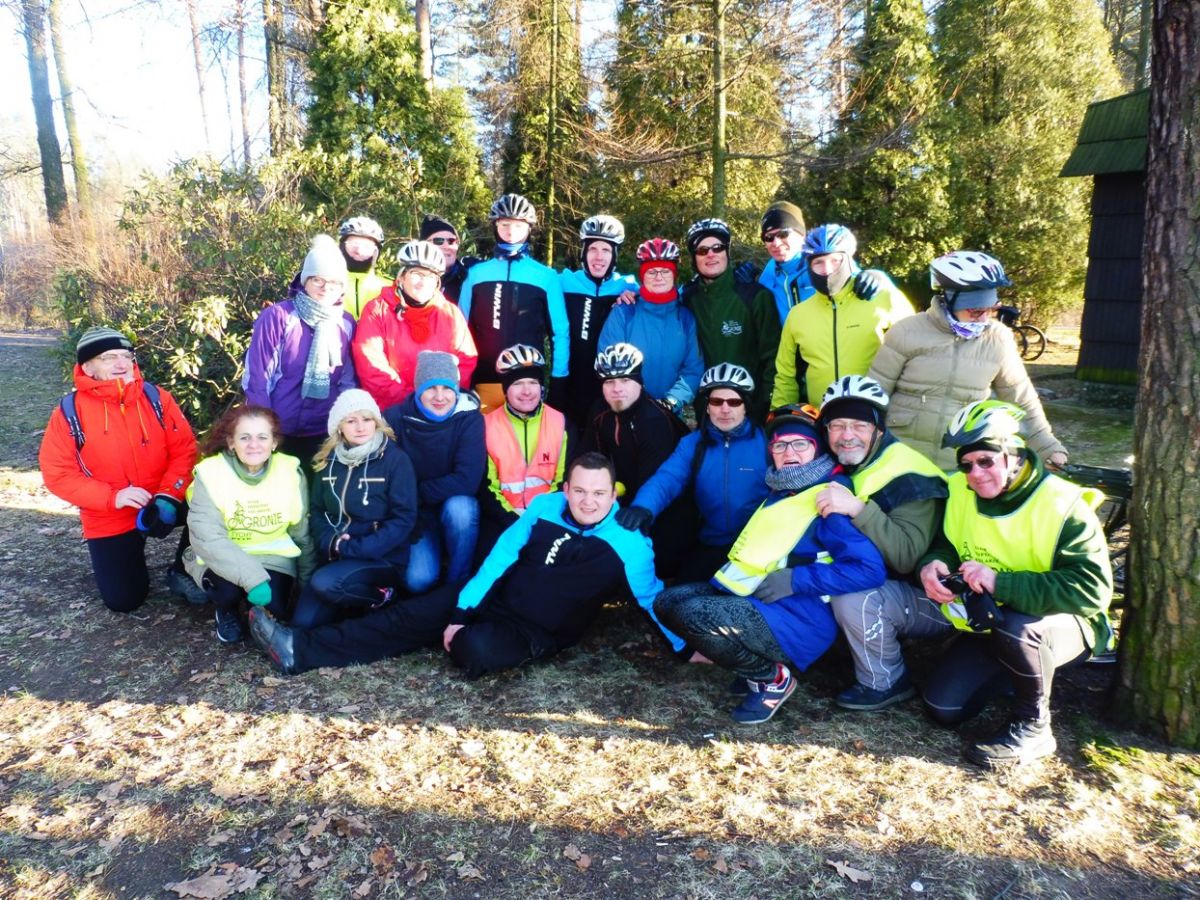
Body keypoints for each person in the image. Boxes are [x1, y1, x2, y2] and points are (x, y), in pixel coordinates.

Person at [831, 401, 1113, 768]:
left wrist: (1000, 583)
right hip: (985, 622)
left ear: (1014, 455)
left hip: (1059, 623)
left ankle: (1034, 726)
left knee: (1018, 628)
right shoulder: (959, 490)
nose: (975, 474)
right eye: (966, 465)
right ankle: (1013, 676)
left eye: (986, 461)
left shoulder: (1063, 504)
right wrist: (932, 565)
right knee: (943, 707)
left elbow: (1091, 590)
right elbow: (946, 542)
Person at [249, 452, 685, 677]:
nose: (589, 501)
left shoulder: (628, 543)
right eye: (581, 491)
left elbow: (651, 599)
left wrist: (686, 648)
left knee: (473, 651)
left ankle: (456, 638)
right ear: (566, 488)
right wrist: (461, 611)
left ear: (613, 493)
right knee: (409, 615)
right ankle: (298, 649)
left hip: (534, 630)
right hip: (492, 597)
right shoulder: (545, 507)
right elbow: (501, 557)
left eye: (599, 493)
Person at [654, 404, 886, 725]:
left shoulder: (827, 500)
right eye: (780, 445)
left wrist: (796, 579)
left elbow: (869, 569)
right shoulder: (782, 491)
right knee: (668, 602)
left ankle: (772, 680)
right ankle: (751, 667)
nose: (789, 452)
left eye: (800, 444)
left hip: (800, 618)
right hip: (760, 602)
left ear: (817, 449)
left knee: (693, 614)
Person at [40, 326, 198, 614]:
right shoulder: (69, 411)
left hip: (162, 498)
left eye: (126, 356)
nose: (121, 363)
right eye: (109, 357)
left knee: (212, 505)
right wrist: (113, 498)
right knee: (124, 601)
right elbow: (58, 473)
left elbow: (185, 450)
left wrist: (168, 496)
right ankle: (131, 550)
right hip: (109, 513)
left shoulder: (157, 398)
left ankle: (183, 569)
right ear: (88, 367)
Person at [868, 250, 1068, 470]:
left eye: (990, 310)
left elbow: (1022, 398)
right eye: (975, 311)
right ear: (951, 300)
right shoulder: (906, 332)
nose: (983, 319)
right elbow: (872, 397)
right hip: (902, 459)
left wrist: (1048, 447)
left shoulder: (998, 339)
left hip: (962, 464)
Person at [616, 363, 769, 582]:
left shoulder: (767, 443)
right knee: (677, 593)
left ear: (746, 406)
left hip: (757, 548)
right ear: (707, 407)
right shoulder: (693, 444)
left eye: (734, 402)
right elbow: (668, 478)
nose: (725, 409)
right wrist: (643, 506)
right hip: (711, 544)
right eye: (717, 401)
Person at [287, 389, 418, 629]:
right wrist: (331, 542)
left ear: (376, 422)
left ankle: (384, 596)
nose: (360, 427)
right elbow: (317, 510)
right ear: (339, 427)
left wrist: (358, 547)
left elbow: (404, 518)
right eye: (351, 421)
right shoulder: (327, 461)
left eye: (367, 419)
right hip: (336, 554)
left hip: (381, 557)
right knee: (302, 623)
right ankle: (352, 608)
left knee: (326, 583)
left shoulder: (395, 460)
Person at [181, 404, 313, 642]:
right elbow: (208, 538)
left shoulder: (289, 471)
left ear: (274, 442)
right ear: (231, 442)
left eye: (262, 437)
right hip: (221, 554)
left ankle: (256, 606)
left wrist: (306, 585)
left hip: (272, 557)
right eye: (245, 437)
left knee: (277, 606)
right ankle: (227, 610)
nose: (254, 444)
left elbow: (301, 532)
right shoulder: (211, 473)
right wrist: (254, 580)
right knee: (228, 592)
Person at [815, 376, 948, 578]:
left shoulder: (914, 477)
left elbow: (905, 557)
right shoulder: (832, 456)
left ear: (879, 430)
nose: (847, 436)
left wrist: (857, 508)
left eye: (860, 426)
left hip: (894, 585)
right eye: (837, 426)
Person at [243, 234, 357, 467]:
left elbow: (347, 380)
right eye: (317, 280)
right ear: (305, 280)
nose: (325, 288)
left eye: (334, 282)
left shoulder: (346, 323)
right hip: (279, 430)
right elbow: (258, 378)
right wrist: (264, 430)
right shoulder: (278, 316)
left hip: (324, 430)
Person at [771, 224, 914, 407]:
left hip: (875, 413)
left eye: (835, 260)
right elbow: (785, 376)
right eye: (818, 262)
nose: (827, 269)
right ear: (809, 266)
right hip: (822, 415)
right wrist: (779, 415)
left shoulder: (885, 297)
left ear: (847, 260)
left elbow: (916, 356)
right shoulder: (798, 314)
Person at [383, 351, 485, 591]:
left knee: (462, 509)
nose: (440, 397)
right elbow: (386, 474)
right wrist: (408, 504)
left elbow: (467, 480)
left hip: (448, 503)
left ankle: (457, 582)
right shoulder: (395, 418)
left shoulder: (469, 419)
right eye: (431, 388)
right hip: (414, 512)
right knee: (419, 581)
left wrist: (418, 492)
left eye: (447, 388)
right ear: (419, 389)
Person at [459, 194, 569, 410]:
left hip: (527, 383)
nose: (511, 231)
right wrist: (462, 378)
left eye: (518, 225)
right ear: (495, 226)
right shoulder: (476, 274)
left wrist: (559, 379)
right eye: (504, 224)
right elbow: (460, 329)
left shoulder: (546, 277)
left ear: (529, 229)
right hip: (484, 380)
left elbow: (560, 332)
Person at [351, 239, 477, 409]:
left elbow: (465, 361)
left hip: (441, 409)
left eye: (431, 277)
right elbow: (371, 365)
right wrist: (411, 401)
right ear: (401, 277)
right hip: (394, 410)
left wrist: (440, 397)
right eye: (416, 274)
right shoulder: (377, 310)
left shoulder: (451, 314)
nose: (423, 282)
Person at [679, 218, 780, 421]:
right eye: (702, 250)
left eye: (717, 248)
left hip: (751, 408)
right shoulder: (688, 299)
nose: (711, 254)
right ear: (694, 258)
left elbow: (773, 357)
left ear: (727, 251)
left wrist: (766, 405)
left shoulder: (755, 296)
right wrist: (629, 296)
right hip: (707, 409)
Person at [478, 344, 571, 557]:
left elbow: (564, 480)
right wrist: (514, 520)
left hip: (549, 516)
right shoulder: (486, 426)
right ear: (505, 389)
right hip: (502, 517)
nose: (527, 391)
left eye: (533, 382)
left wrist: (538, 518)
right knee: (488, 565)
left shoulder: (560, 422)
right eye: (518, 383)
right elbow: (485, 487)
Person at [596, 238, 704, 418]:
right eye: (652, 272)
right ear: (642, 276)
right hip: (627, 410)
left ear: (674, 275)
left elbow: (693, 369)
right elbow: (608, 362)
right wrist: (638, 403)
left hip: (669, 414)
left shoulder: (685, 318)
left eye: (665, 271)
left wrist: (671, 402)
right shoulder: (625, 311)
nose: (659, 277)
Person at [558, 215, 638, 429]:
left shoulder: (628, 287)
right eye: (593, 249)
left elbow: (660, 301)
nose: (599, 257)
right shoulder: (564, 282)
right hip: (570, 385)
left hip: (610, 387)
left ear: (615, 255)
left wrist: (634, 297)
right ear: (583, 253)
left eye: (606, 250)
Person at [337, 216, 389, 320]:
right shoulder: (325, 283)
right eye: (353, 244)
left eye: (367, 246)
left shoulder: (390, 287)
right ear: (342, 247)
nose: (359, 251)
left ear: (376, 252)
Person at [420, 213, 479, 305]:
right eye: (438, 241)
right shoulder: (411, 279)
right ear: (424, 246)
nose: (447, 246)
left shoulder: (471, 276)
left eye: (451, 241)